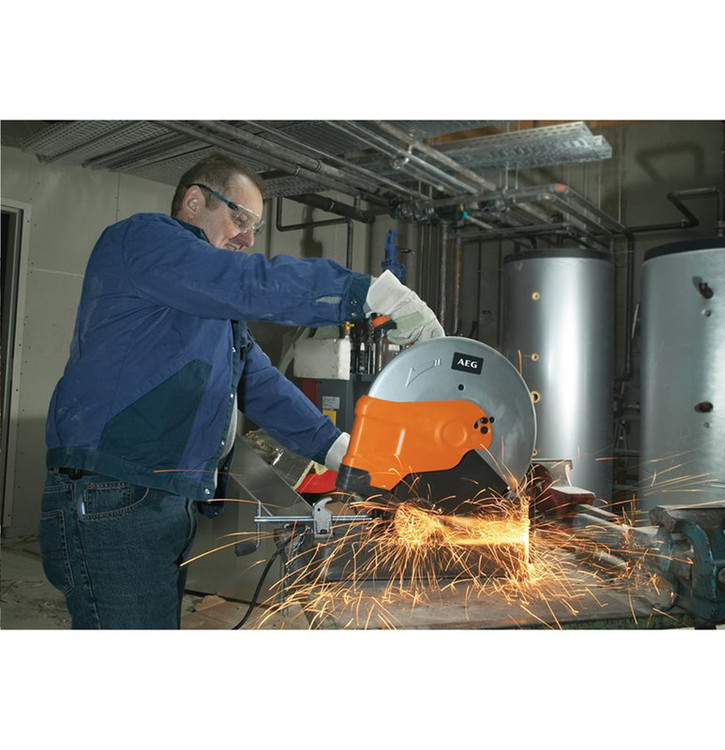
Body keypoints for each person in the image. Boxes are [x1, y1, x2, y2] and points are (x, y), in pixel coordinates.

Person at [38, 153, 444, 629]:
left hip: (161, 496)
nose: (248, 239)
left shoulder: (211, 308)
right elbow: (248, 282)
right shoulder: (143, 240)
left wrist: (341, 451)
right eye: (240, 218)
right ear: (194, 202)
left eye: (255, 227)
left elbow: (261, 384)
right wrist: (372, 294)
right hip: (114, 491)